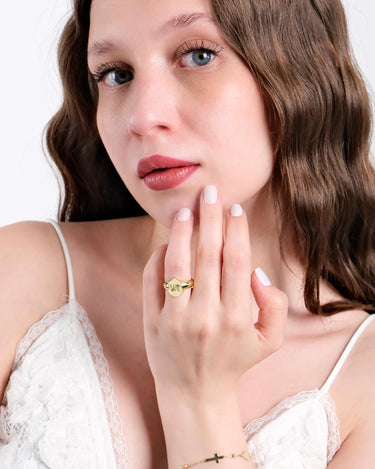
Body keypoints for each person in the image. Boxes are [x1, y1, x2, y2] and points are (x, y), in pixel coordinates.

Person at [0, 0, 374, 467]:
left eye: (198, 55)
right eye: (116, 73)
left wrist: (198, 398)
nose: (141, 117)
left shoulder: (366, 376)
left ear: (307, 66)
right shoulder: (22, 273)